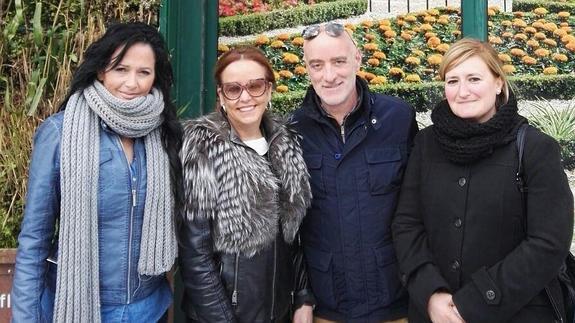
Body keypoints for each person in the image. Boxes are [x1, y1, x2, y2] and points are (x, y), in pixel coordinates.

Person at [392, 38, 574, 323]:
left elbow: (548, 242)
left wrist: (473, 303)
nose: (462, 91)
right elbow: (406, 224)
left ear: (498, 83)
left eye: (473, 78)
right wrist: (431, 293)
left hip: (517, 313)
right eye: (452, 81)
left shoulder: (536, 148)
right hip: (435, 314)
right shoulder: (426, 145)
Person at [11, 22, 183, 322]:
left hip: (149, 308)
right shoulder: (60, 132)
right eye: (120, 69)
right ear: (101, 70)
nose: (132, 83)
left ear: (155, 78)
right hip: (80, 309)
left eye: (144, 72)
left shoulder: (163, 134)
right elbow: (34, 240)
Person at [291, 22, 418, 322]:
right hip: (326, 309)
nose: (329, 75)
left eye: (339, 61)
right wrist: (301, 295)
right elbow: (289, 229)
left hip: (395, 305)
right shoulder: (293, 131)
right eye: (317, 65)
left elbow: (420, 207)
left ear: (358, 59)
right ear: (307, 69)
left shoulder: (398, 118)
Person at [178, 46, 314, 323]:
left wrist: (302, 297)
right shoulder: (203, 148)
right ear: (221, 95)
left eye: (255, 86)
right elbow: (195, 256)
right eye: (233, 89)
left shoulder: (285, 142)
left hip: (280, 312)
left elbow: (294, 235)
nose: (245, 97)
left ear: (269, 89)